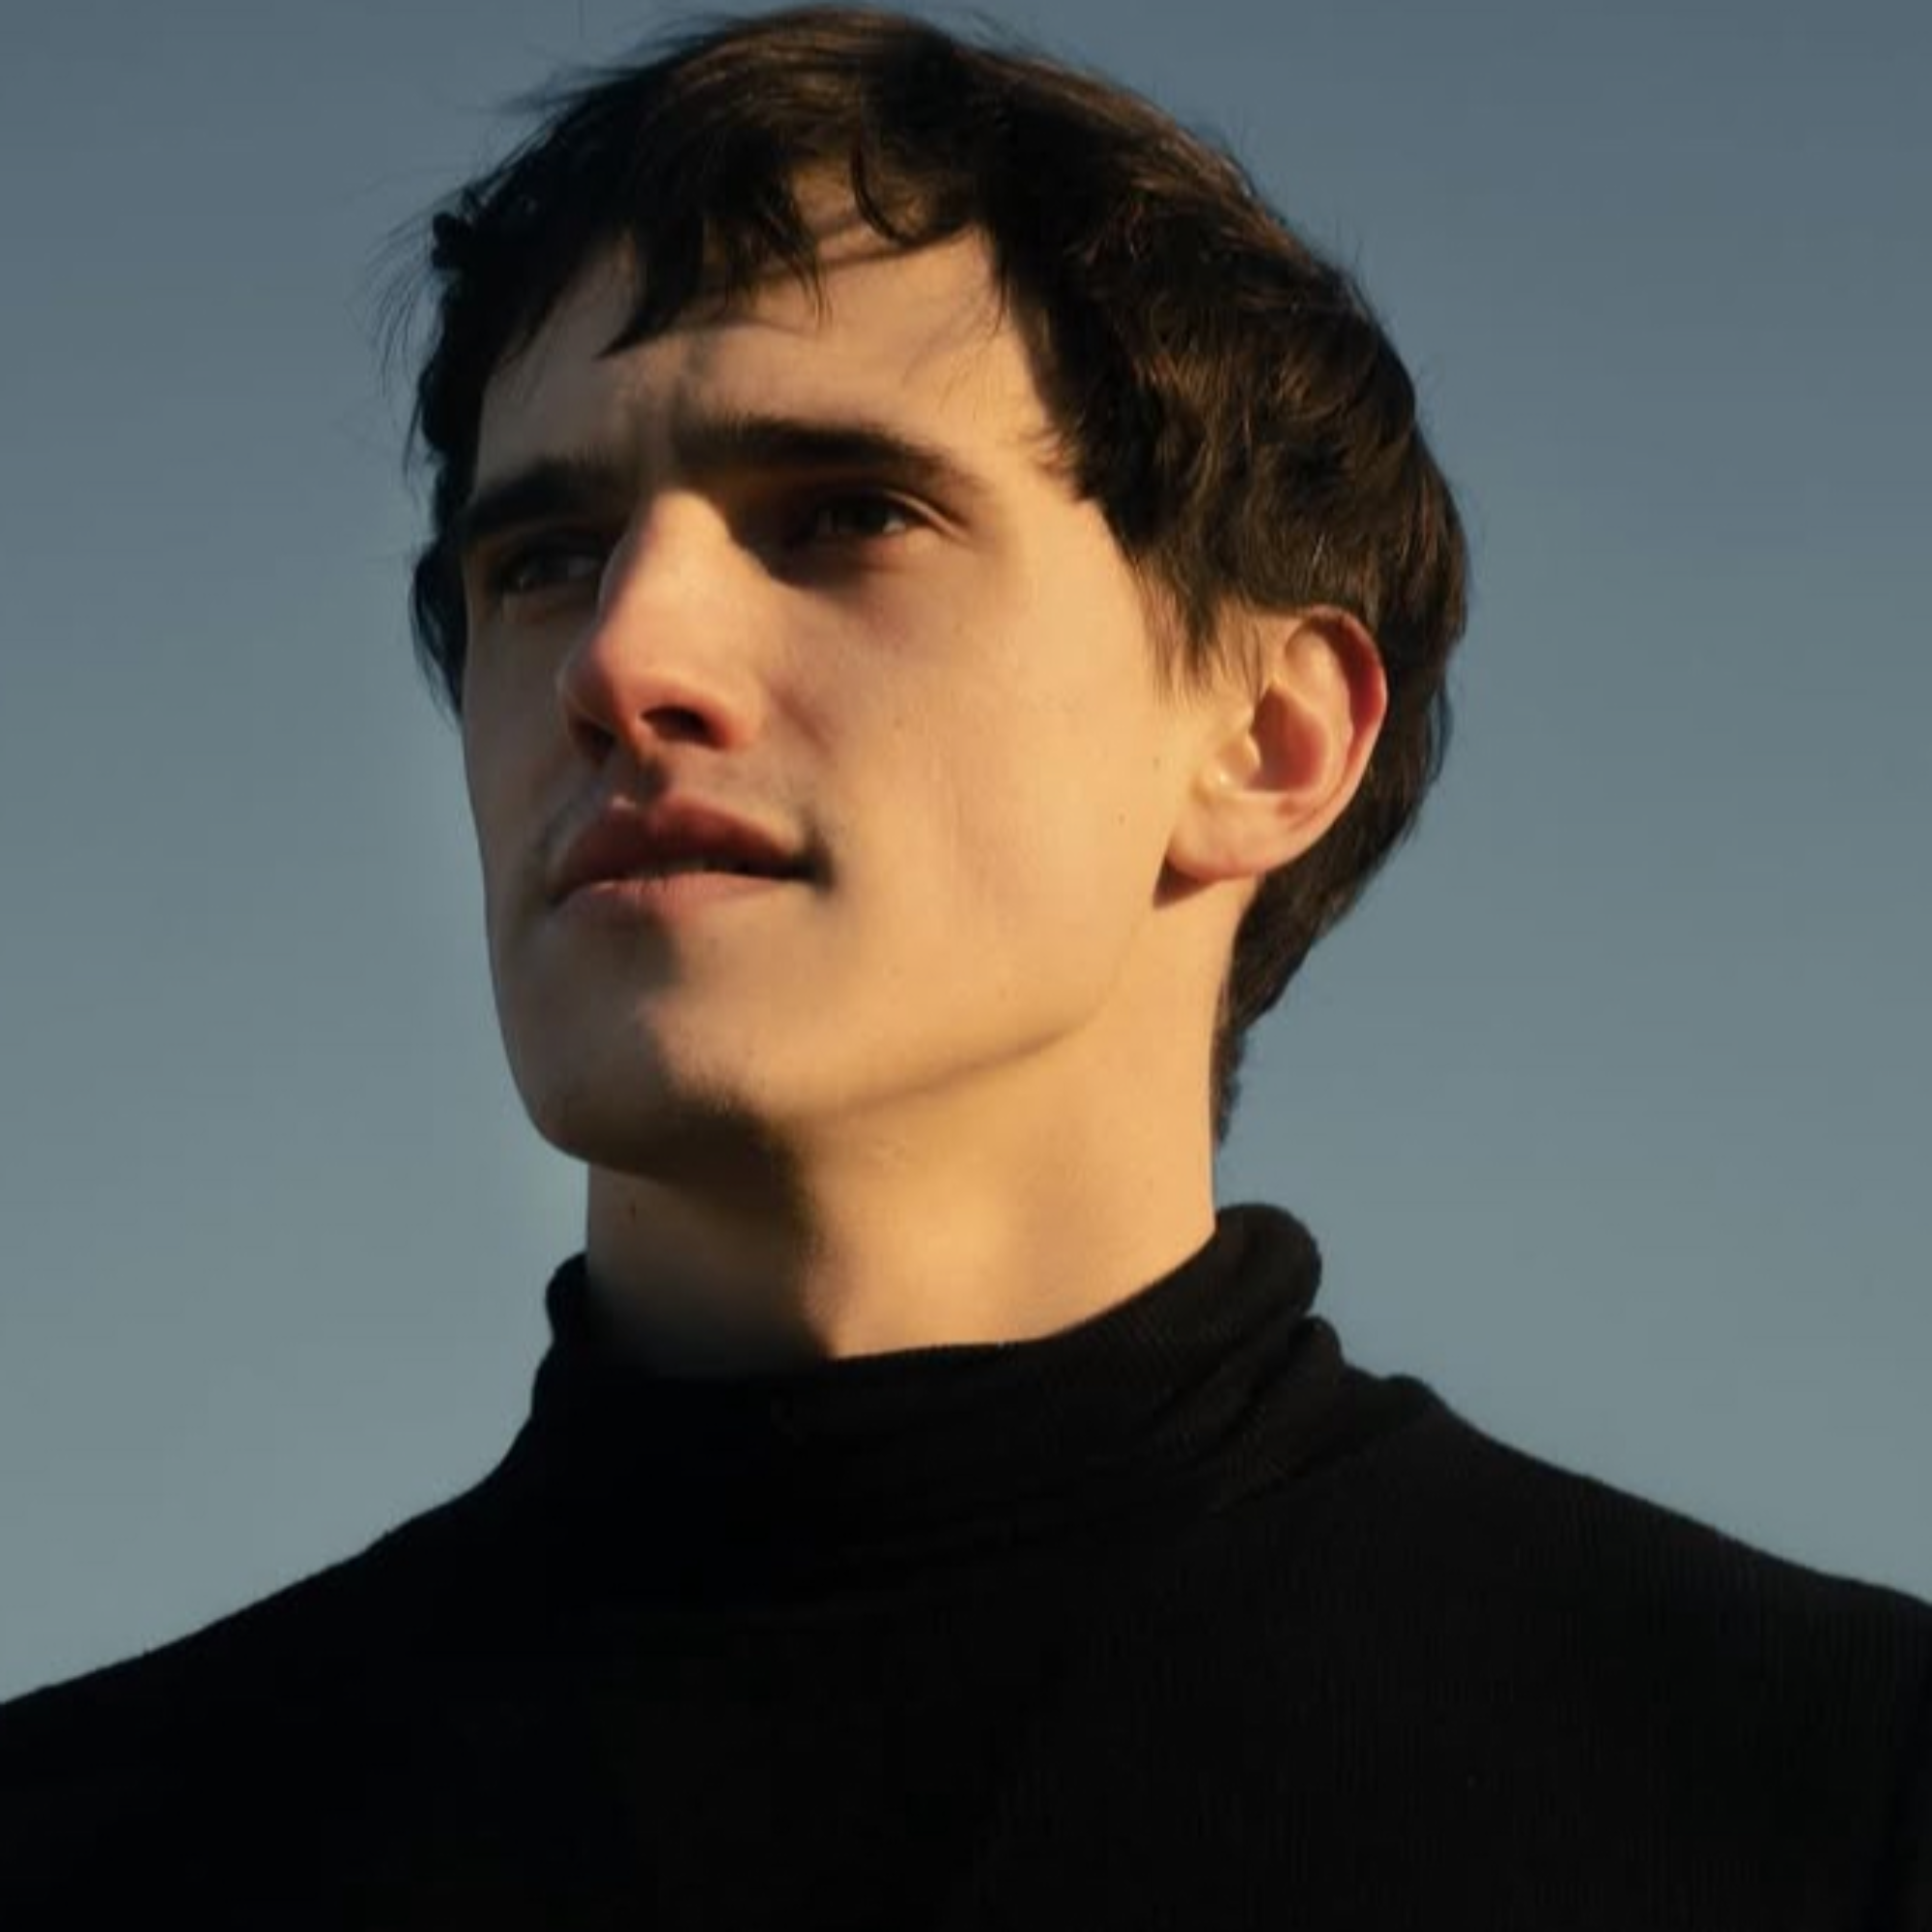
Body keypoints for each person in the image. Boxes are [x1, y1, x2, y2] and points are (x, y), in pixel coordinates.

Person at [3, 6, 1926, 1925]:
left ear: (1266, 739)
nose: (620, 662)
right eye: (546, 561)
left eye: (847, 517)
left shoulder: (1833, 1803)